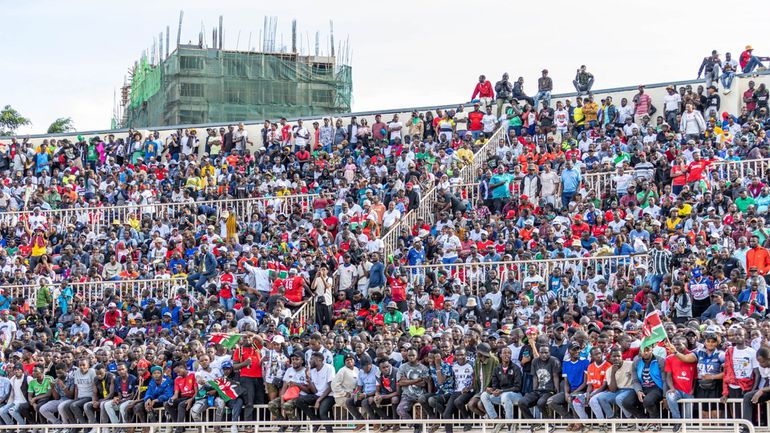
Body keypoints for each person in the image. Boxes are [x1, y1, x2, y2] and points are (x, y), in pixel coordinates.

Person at [621, 346, 666, 432]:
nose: (645, 353)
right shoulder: (636, 361)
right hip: (642, 387)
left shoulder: (660, 360)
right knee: (626, 402)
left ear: (652, 350)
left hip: (656, 387)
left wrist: (664, 396)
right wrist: (638, 391)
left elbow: (664, 380)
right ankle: (643, 418)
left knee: (647, 401)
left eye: (647, 350)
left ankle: (655, 421)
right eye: (643, 351)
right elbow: (635, 380)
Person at [481, 346, 523, 433]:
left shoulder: (516, 368)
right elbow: (495, 385)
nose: (507, 355)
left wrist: (502, 391)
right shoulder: (497, 369)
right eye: (504, 353)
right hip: (502, 395)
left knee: (505, 395)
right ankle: (497, 420)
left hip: (516, 395)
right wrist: (492, 390)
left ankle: (510, 423)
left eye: (509, 353)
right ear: (500, 355)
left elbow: (518, 387)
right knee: (484, 395)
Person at [518, 345, 561, 429]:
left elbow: (555, 376)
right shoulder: (535, 361)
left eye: (546, 352)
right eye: (541, 353)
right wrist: (534, 390)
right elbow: (535, 377)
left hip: (550, 390)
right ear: (539, 353)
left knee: (540, 403)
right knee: (521, 402)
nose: (544, 355)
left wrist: (557, 392)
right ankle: (534, 423)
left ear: (549, 353)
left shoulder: (554, 360)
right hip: (538, 390)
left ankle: (549, 424)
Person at [295, 352, 336, 433]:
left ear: (319, 360)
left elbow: (331, 387)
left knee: (322, 413)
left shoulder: (329, 368)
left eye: (311, 359)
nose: (309, 361)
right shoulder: (313, 371)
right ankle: (315, 420)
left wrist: (318, 400)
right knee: (298, 400)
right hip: (318, 395)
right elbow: (315, 391)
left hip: (329, 395)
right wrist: (308, 379)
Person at [396, 348, 429, 433]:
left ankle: (420, 429)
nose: (411, 357)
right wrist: (417, 380)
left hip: (421, 395)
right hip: (407, 395)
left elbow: (423, 384)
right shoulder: (402, 367)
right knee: (400, 409)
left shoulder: (424, 368)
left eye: (413, 355)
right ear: (407, 356)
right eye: (409, 355)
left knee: (421, 413)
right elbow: (400, 383)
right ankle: (414, 425)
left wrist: (407, 380)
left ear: (417, 356)